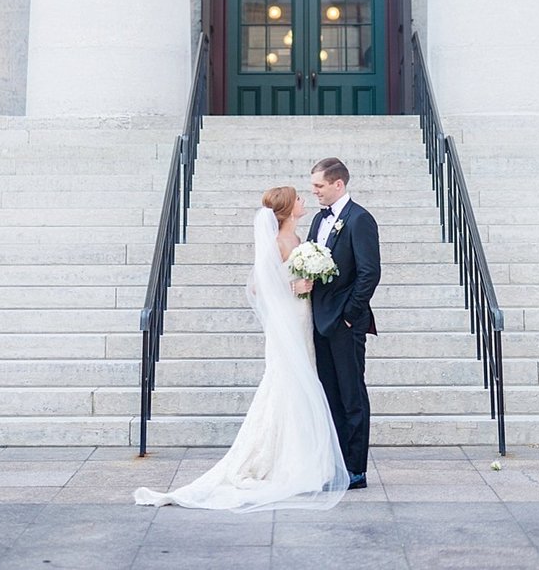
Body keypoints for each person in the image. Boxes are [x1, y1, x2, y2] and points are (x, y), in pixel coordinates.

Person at [134, 186, 349, 511]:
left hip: (302, 318)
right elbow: (256, 285)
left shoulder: (299, 239)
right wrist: (294, 285)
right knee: (285, 383)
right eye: (299, 199)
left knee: (301, 384)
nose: (305, 200)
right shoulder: (277, 242)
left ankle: (299, 457)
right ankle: (276, 459)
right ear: (290, 208)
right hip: (287, 321)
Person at [308, 157, 381, 490]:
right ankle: (336, 464)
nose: (315, 192)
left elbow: (369, 273)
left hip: (346, 323)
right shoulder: (317, 220)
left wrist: (351, 315)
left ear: (338, 184)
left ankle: (356, 469)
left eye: (319, 186)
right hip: (319, 322)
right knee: (331, 395)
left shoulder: (360, 219)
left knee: (352, 395)